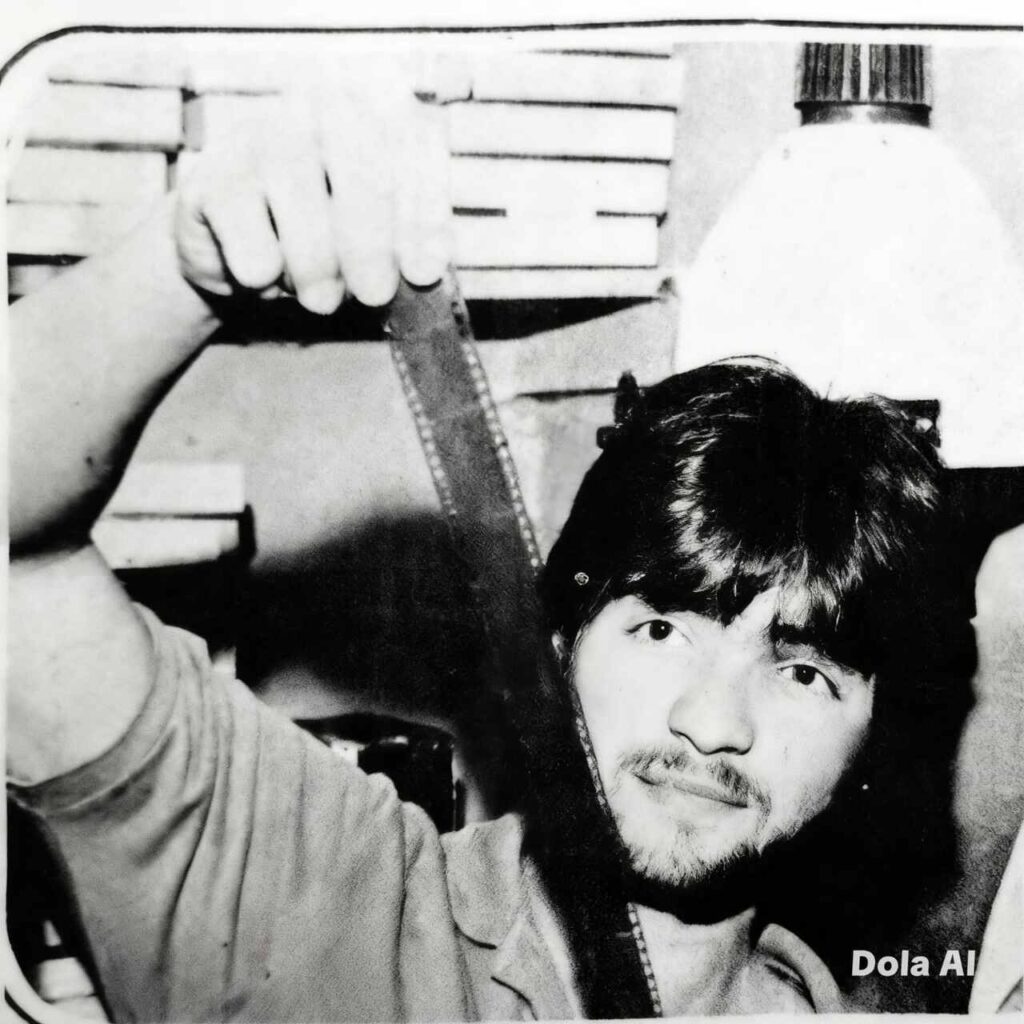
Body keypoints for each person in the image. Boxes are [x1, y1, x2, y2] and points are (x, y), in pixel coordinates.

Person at [6, 74, 970, 1020]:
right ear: (560, 645)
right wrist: (178, 268)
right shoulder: (330, 913)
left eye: (802, 673)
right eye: (662, 629)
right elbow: (19, 565)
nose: (712, 723)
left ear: (875, 738)